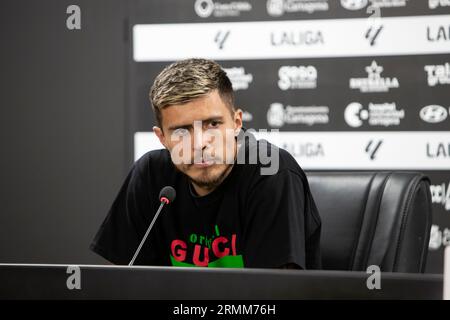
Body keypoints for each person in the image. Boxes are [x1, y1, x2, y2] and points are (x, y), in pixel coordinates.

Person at [90, 58, 322, 269]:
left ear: (236, 123)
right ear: (162, 138)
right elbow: (124, 285)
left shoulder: (270, 169)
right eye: (181, 131)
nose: (200, 144)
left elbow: (273, 294)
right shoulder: (150, 174)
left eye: (212, 124)